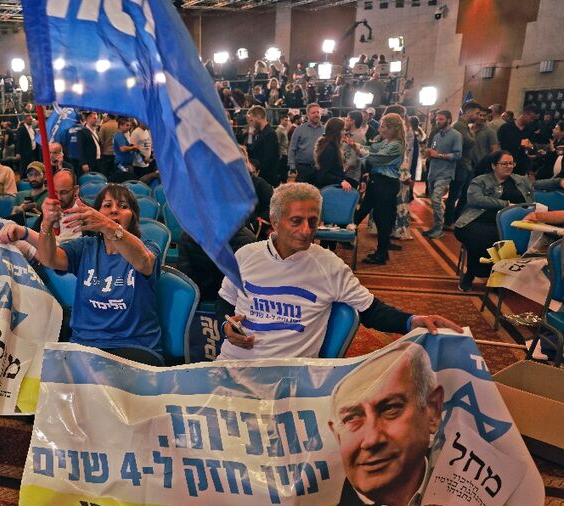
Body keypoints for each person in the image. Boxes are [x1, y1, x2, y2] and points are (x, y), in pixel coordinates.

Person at [2, 182, 162, 506]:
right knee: (55, 415)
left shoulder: (143, 248)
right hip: (84, 351)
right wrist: (47, 223)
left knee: (97, 421)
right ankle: (81, 502)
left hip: (132, 351)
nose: (113, 211)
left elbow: (141, 261)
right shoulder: (85, 249)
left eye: (121, 208)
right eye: (107, 205)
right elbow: (51, 257)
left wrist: (109, 226)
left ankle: (115, 503)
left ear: (131, 218)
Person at [218, 183, 460, 361]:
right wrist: (226, 328)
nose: (306, 230)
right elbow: (225, 304)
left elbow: (372, 311)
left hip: (288, 376)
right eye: (296, 221)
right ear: (274, 221)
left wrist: (413, 320)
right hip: (233, 363)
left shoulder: (329, 266)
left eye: (313, 221)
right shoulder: (245, 256)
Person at [282, 341, 444, 506]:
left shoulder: (473, 498)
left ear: (432, 410)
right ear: (337, 436)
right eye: (351, 419)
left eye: (390, 408)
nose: (371, 440)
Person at [454, 150, 534, 292]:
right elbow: (475, 199)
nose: (509, 166)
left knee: (507, 238)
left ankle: (498, 277)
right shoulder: (481, 180)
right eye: (504, 164)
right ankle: (470, 275)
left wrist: (558, 181)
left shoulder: (520, 181)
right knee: (480, 238)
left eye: (511, 163)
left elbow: (537, 186)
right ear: (493, 165)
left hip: (509, 224)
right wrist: (505, 204)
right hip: (477, 220)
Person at [352, 113, 407, 265]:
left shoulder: (396, 145)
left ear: (392, 129)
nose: (380, 129)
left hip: (386, 184)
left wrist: (357, 149)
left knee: (383, 218)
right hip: (377, 182)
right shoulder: (387, 141)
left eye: (383, 126)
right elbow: (371, 148)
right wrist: (356, 146)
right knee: (363, 211)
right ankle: (347, 232)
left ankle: (382, 254)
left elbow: (376, 158)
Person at [422, 110, 462, 239]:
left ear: (449, 120)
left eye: (441, 119)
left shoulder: (456, 135)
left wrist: (439, 155)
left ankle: (439, 228)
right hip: (433, 172)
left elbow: (457, 155)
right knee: (435, 201)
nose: (438, 121)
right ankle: (436, 226)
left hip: (445, 173)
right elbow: (434, 151)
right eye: (437, 119)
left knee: (436, 199)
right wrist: (429, 153)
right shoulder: (437, 135)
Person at [313, 117, 357, 191]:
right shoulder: (329, 149)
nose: (344, 132)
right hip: (329, 188)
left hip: (333, 184)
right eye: (343, 130)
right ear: (337, 131)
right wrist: (341, 181)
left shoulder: (333, 146)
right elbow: (323, 174)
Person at [288, 103, 324, 183]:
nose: (316, 114)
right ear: (307, 115)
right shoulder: (299, 130)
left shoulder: (325, 130)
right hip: (303, 169)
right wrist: (292, 167)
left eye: (318, 112)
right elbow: (292, 149)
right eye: (313, 113)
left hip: (320, 169)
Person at [247, 105, 280, 187]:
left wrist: (256, 172)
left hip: (266, 179)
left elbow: (268, 159)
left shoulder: (270, 134)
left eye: (252, 120)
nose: (251, 124)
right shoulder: (258, 133)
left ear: (258, 117)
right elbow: (250, 149)